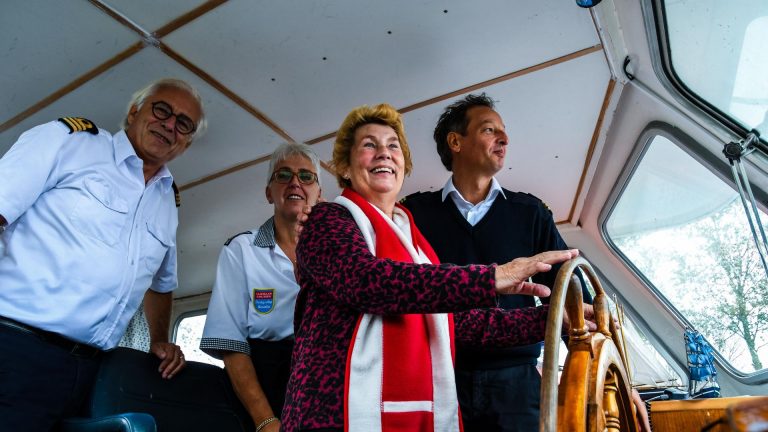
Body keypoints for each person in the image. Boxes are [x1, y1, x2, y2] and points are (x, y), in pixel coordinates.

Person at [282, 103, 584, 432]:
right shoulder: (325, 221)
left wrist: (555, 320)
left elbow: (460, 324)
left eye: (393, 146)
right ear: (345, 166)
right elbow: (370, 283)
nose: (384, 153)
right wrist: (492, 277)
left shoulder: (415, 246)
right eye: (370, 145)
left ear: (403, 164)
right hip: (331, 416)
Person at [0, 77, 204, 431]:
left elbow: (161, 283)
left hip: (93, 371)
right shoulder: (70, 142)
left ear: (185, 143)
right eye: (162, 110)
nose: (170, 124)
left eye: (183, 124)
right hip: (15, 347)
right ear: (133, 112)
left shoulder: (167, 201)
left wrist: (159, 340)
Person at [400, 93, 593, 432]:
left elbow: (571, 297)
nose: (504, 139)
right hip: (438, 379)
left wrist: (597, 379)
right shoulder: (414, 214)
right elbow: (399, 293)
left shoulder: (530, 213)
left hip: (516, 383)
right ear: (455, 142)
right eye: (489, 130)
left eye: (504, 132)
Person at [200, 142, 323, 432]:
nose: (295, 182)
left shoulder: (338, 251)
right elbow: (231, 344)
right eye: (284, 175)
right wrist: (265, 421)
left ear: (319, 194)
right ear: (269, 192)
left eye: (307, 176)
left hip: (323, 378)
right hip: (266, 382)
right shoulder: (241, 250)